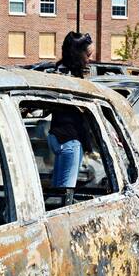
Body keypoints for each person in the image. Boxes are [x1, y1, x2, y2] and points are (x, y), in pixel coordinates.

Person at [48, 31, 94, 206]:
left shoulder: (57, 72)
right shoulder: (74, 79)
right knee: (66, 194)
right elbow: (85, 109)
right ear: (78, 53)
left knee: (56, 190)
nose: (89, 59)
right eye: (87, 55)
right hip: (70, 139)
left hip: (55, 135)